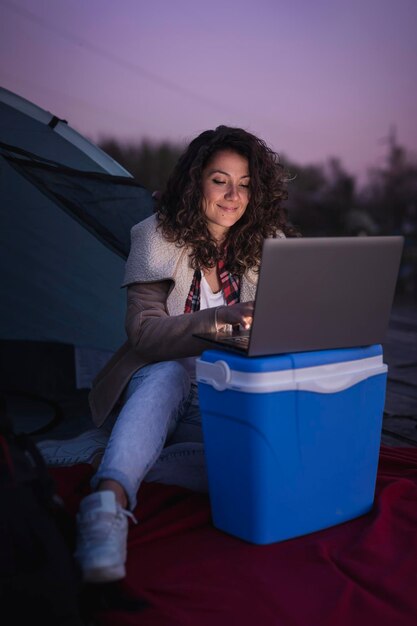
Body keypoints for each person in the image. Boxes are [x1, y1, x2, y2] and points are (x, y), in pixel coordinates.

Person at [74, 125, 299, 583]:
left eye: (246, 184)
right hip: (157, 384)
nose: (233, 195)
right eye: (220, 180)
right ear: (196, 181)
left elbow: (286, 328)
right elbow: (145, 334)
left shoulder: (269, 243)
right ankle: (107, 502)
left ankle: (114, 458)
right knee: (171, 371)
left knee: (261, 472)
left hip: (224, 396)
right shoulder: (157, 234)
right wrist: (224, 319)